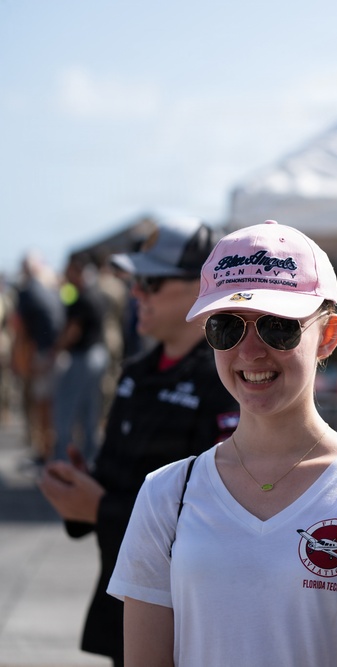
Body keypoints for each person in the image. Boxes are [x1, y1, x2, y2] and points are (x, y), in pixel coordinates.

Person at [108, 220, 337, 667]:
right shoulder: (167, 494)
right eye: (226, 327)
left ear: (328, 336)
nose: (250, 352)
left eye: (278, 327)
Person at [38, 217, 239, 667]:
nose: (136, 294)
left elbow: (225, 514)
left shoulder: (227, 380)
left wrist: (99, 509)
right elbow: (122, 481)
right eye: (135, 281)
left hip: (190, 618)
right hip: (127, 603)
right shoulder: (136, 373)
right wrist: (81, 488)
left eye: (150, 282)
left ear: (200, 287)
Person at [51, 255, 110, 464]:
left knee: (67, 407)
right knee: (89, 409)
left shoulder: (83, 297)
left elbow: (72, 332)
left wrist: (54, 350)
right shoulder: (95, 293)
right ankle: (88, 458)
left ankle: (62, 458)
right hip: (96, 355)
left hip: (84, 357)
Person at [11, 251, 64, 461]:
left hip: (41, 354)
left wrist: (19, 358)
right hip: (55, 353)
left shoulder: (27, 292)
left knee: (42, 404)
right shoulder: (51, 289)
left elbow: (20, 328)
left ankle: (46, 451)